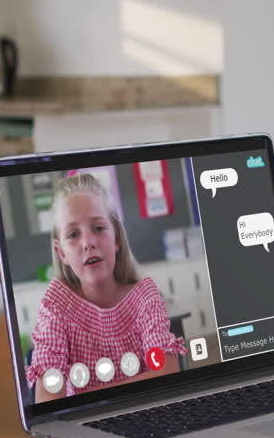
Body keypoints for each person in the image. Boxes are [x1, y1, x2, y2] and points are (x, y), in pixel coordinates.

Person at [26, 172, 185, 402]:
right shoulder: (55, 307)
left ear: (117, 239)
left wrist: (84, 396)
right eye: (73, 234)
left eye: (98, 228)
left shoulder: (144, 297)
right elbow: (48, 401)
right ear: (62, 253)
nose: (88, 242)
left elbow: (166, 373)